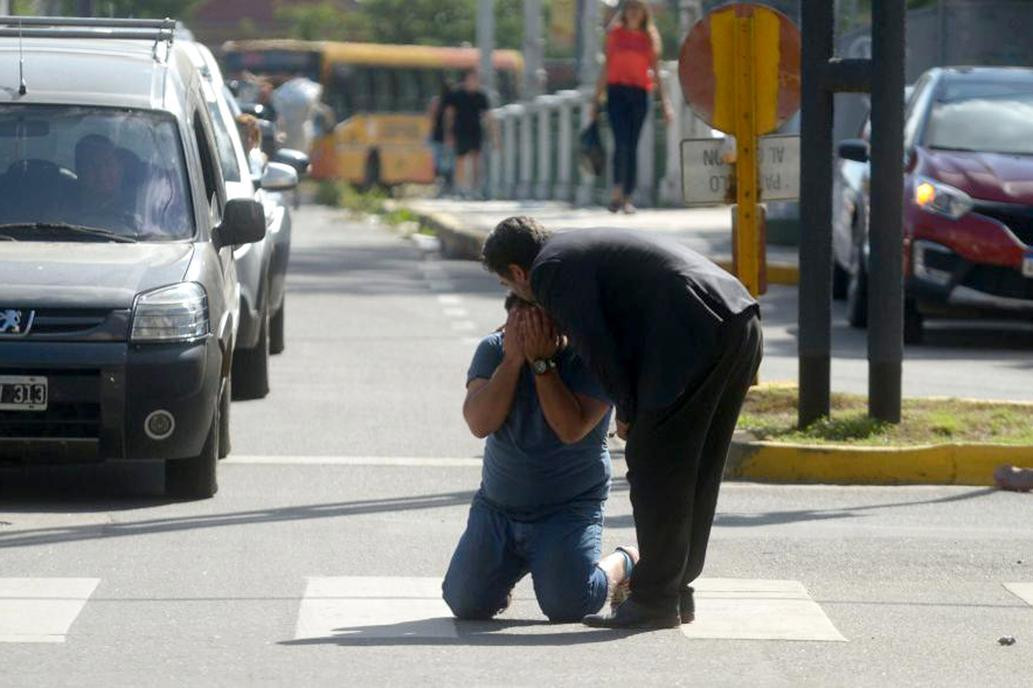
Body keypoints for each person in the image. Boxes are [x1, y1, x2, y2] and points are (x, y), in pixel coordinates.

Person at [481, 216, 763, 630]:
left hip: (694, 333)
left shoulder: (550, 272)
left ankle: (652, 600)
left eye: (509, 286)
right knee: (695, 470)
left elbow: (598, 347)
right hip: (737, 320)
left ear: (519, 272)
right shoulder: (574, 250)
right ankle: (674, 589)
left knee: (655, 469)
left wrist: (628, 412)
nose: (518, 296)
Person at [442, 295, 638, 623]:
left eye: (538, 322)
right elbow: (479, 423)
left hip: (567, 510)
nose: (528, 329)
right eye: (520, 321)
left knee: (569, 606)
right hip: (498, 508)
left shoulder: (591, 358)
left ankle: (628, 559)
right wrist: (512, 361)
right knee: (465, 604)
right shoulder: (494, 349)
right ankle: (505, 572)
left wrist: (541, 365)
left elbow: (570, 428)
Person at [592, 0, 674, 214]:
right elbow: (606, 67)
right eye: (630, 8)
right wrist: (596, 99)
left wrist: (665, 104)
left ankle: (628, 198)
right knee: (620, 143)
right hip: (616, 92)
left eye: (637, 8)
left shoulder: (649, 37)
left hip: (639, 94)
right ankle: (616, 192)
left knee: (632, 146)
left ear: (644, 13)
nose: (633, 12)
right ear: (624, 12)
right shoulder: (615, 35)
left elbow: (656, 72)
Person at [444, 70, 490, 198]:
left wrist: (493, 135)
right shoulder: (456, 95)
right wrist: (449, 133)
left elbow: (487, 116)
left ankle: (476, 188)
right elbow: (449, 115)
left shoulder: (481, 96)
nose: (473, 82)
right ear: (465, 80)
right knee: (460, 159)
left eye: (476, 79)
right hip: (460, 130)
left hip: (476, 130)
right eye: (471, 79)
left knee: (477, 159)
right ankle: (460, 188)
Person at [427, 81, 455, 196]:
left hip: (436, 136)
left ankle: (439, 184)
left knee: (437, 162)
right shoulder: (452, 104)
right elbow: (450, 121)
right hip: (446, 138)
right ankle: (447, 185)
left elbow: (431, 118)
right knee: (448, 163)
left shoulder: (436, 102)